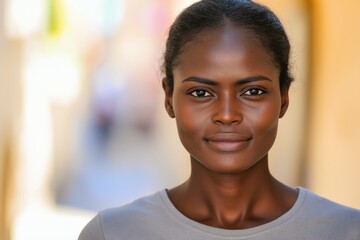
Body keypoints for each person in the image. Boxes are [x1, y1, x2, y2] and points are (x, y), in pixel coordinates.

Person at [78, 0, 360, 239]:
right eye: (201, 92)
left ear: (284, 98)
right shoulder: (113, 233)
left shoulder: (346, 231)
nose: (227, 115)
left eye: (253, 91)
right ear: (168, 98)